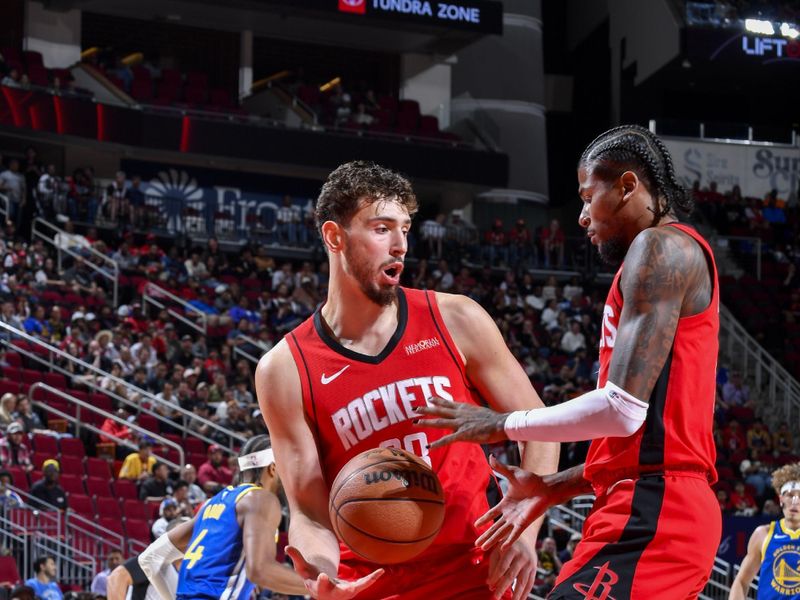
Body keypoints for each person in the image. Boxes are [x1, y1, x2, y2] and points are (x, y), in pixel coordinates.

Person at [417, 125, 721, 599]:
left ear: (626, 186)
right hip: (645, 504)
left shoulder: (660, 248)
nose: (580, 217)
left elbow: (622, 411)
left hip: (657, 512)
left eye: (586, 196)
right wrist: (550, 488)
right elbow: (641, 442)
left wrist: (504, 423)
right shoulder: (661, 257)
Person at [256, 161, 558, 600]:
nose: (400, 245)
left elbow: (541, 427)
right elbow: (309, 510)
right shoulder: (284, 368)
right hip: (372, 586)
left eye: (405, 229)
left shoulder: (455, 318)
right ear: (334, 237)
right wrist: (323, 574)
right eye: (381, 228)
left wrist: (524, 531)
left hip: (475, 574)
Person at [138, 435, 307, 599]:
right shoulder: (261, 499)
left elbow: (151, 558)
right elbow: (260, 570)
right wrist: (319, 587)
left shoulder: (211, 504)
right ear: (272, 468)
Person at [729, 463, 800, 599]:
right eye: (790, 495)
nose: (795, 501)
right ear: (780, 499)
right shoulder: (763, 534)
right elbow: (741, 581)